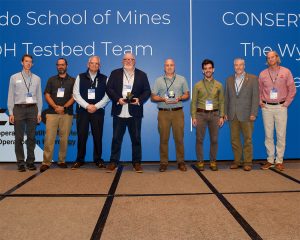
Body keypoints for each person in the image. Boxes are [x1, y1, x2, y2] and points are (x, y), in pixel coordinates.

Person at [106, 53, 151, 173]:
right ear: (122, 61)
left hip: (134, 112)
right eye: (126, 59)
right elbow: (109, 88)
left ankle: (137, 163)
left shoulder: (142, 74)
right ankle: (113, 162)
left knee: (136, 139)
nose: (128, 61)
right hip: (119, 111)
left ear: (134, 61)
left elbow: (147, 91)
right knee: (116, 139)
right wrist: (117, 99)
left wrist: (139, 100)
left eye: (131, 59)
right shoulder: (114, 73)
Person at [259, 51, 296, 171]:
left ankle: (279, 160)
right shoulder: (263, 74)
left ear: (277, 58)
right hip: (267, 108)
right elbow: (259, 90)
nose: (271, 59)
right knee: (268, 135)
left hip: (281, 107)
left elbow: (292, 89)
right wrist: (260, 102)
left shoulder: (286, 71)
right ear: (267, 60)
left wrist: (286, 104)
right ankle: (270, 160)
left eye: (272, 57)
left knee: (281, 134)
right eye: (268, 58)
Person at [71, 56, 110, 169]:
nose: (94, 65)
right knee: (82, 135)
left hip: (97, 111)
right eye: (92, 63)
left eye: (96, 63)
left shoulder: (104, 78)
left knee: (98, 136)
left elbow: (107, 96)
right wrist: (87, 106)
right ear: (88, 64)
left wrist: (96, 106)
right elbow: (76, 94)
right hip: (83, 110)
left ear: (99, 66)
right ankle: (80, 159)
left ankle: (98, 160)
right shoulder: (80, 77)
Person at [151, 59, 190, 172]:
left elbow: (187, 94)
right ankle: (163, 163)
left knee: (179, 138)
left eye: (171, 65)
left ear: (174, 66)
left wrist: (180, 98)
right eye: (167, 65)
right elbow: (153, 96)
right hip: (163, 113)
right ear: (164, 67)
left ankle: (181, 162)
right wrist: (163, 99)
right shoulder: (158, 80)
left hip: (178, 112)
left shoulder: (181, 79)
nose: (169, 67)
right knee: (163, 139)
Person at [7, 54, 42, 172]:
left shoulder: (37, 78)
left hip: (33, 109)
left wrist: (39, 112)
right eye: (26, 61)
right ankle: (20, 162)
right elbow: (10, 96)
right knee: (19, 137)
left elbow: (39, 97)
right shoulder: (14, 77)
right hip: (18, 109)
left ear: (32, 64)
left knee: (31, 137)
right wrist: (11, 112)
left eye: (30, 62)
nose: (28, 63)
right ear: (22, 62)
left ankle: (30, 162)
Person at [40, 58, 75, 172]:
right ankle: (46, 162)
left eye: (62, 65)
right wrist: (55, 107)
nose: (60, 67)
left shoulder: (73, 80)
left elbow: (74, 96)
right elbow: (47, 94)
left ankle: (61, 160)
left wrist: (64, 107)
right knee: (49, 138)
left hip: (67, 113)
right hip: (52, 113)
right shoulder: (51, 80)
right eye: (58, 65)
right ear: (56, 66)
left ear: (67, 66)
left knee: (64, 138)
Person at [224, 58, 259, 171]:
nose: (238, 67)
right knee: (234, 139)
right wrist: (225, 112)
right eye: (236, 65)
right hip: (232, 114)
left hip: (247, 114)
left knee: (248, 139)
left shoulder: (253, 78)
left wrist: (254, 112)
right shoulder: (229, 79)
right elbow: (226, 98)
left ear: (244, 66)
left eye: (240, 65)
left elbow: (255, 97)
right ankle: (237, 161)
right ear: (234, 66)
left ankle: (248, 162)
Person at [191, 59, 224, 171]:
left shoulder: (219, 85)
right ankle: (200, 161)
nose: (208, 70)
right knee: (199, 139)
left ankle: (213, 161)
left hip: (214, 115)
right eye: (205, 69)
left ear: (213, 69)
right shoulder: (197, 85)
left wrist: (222, 116)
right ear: (202, 71)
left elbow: (222, 102)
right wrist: (193, 116)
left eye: (210, 68)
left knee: (214, 140)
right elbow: (193, 102)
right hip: (201, 114)